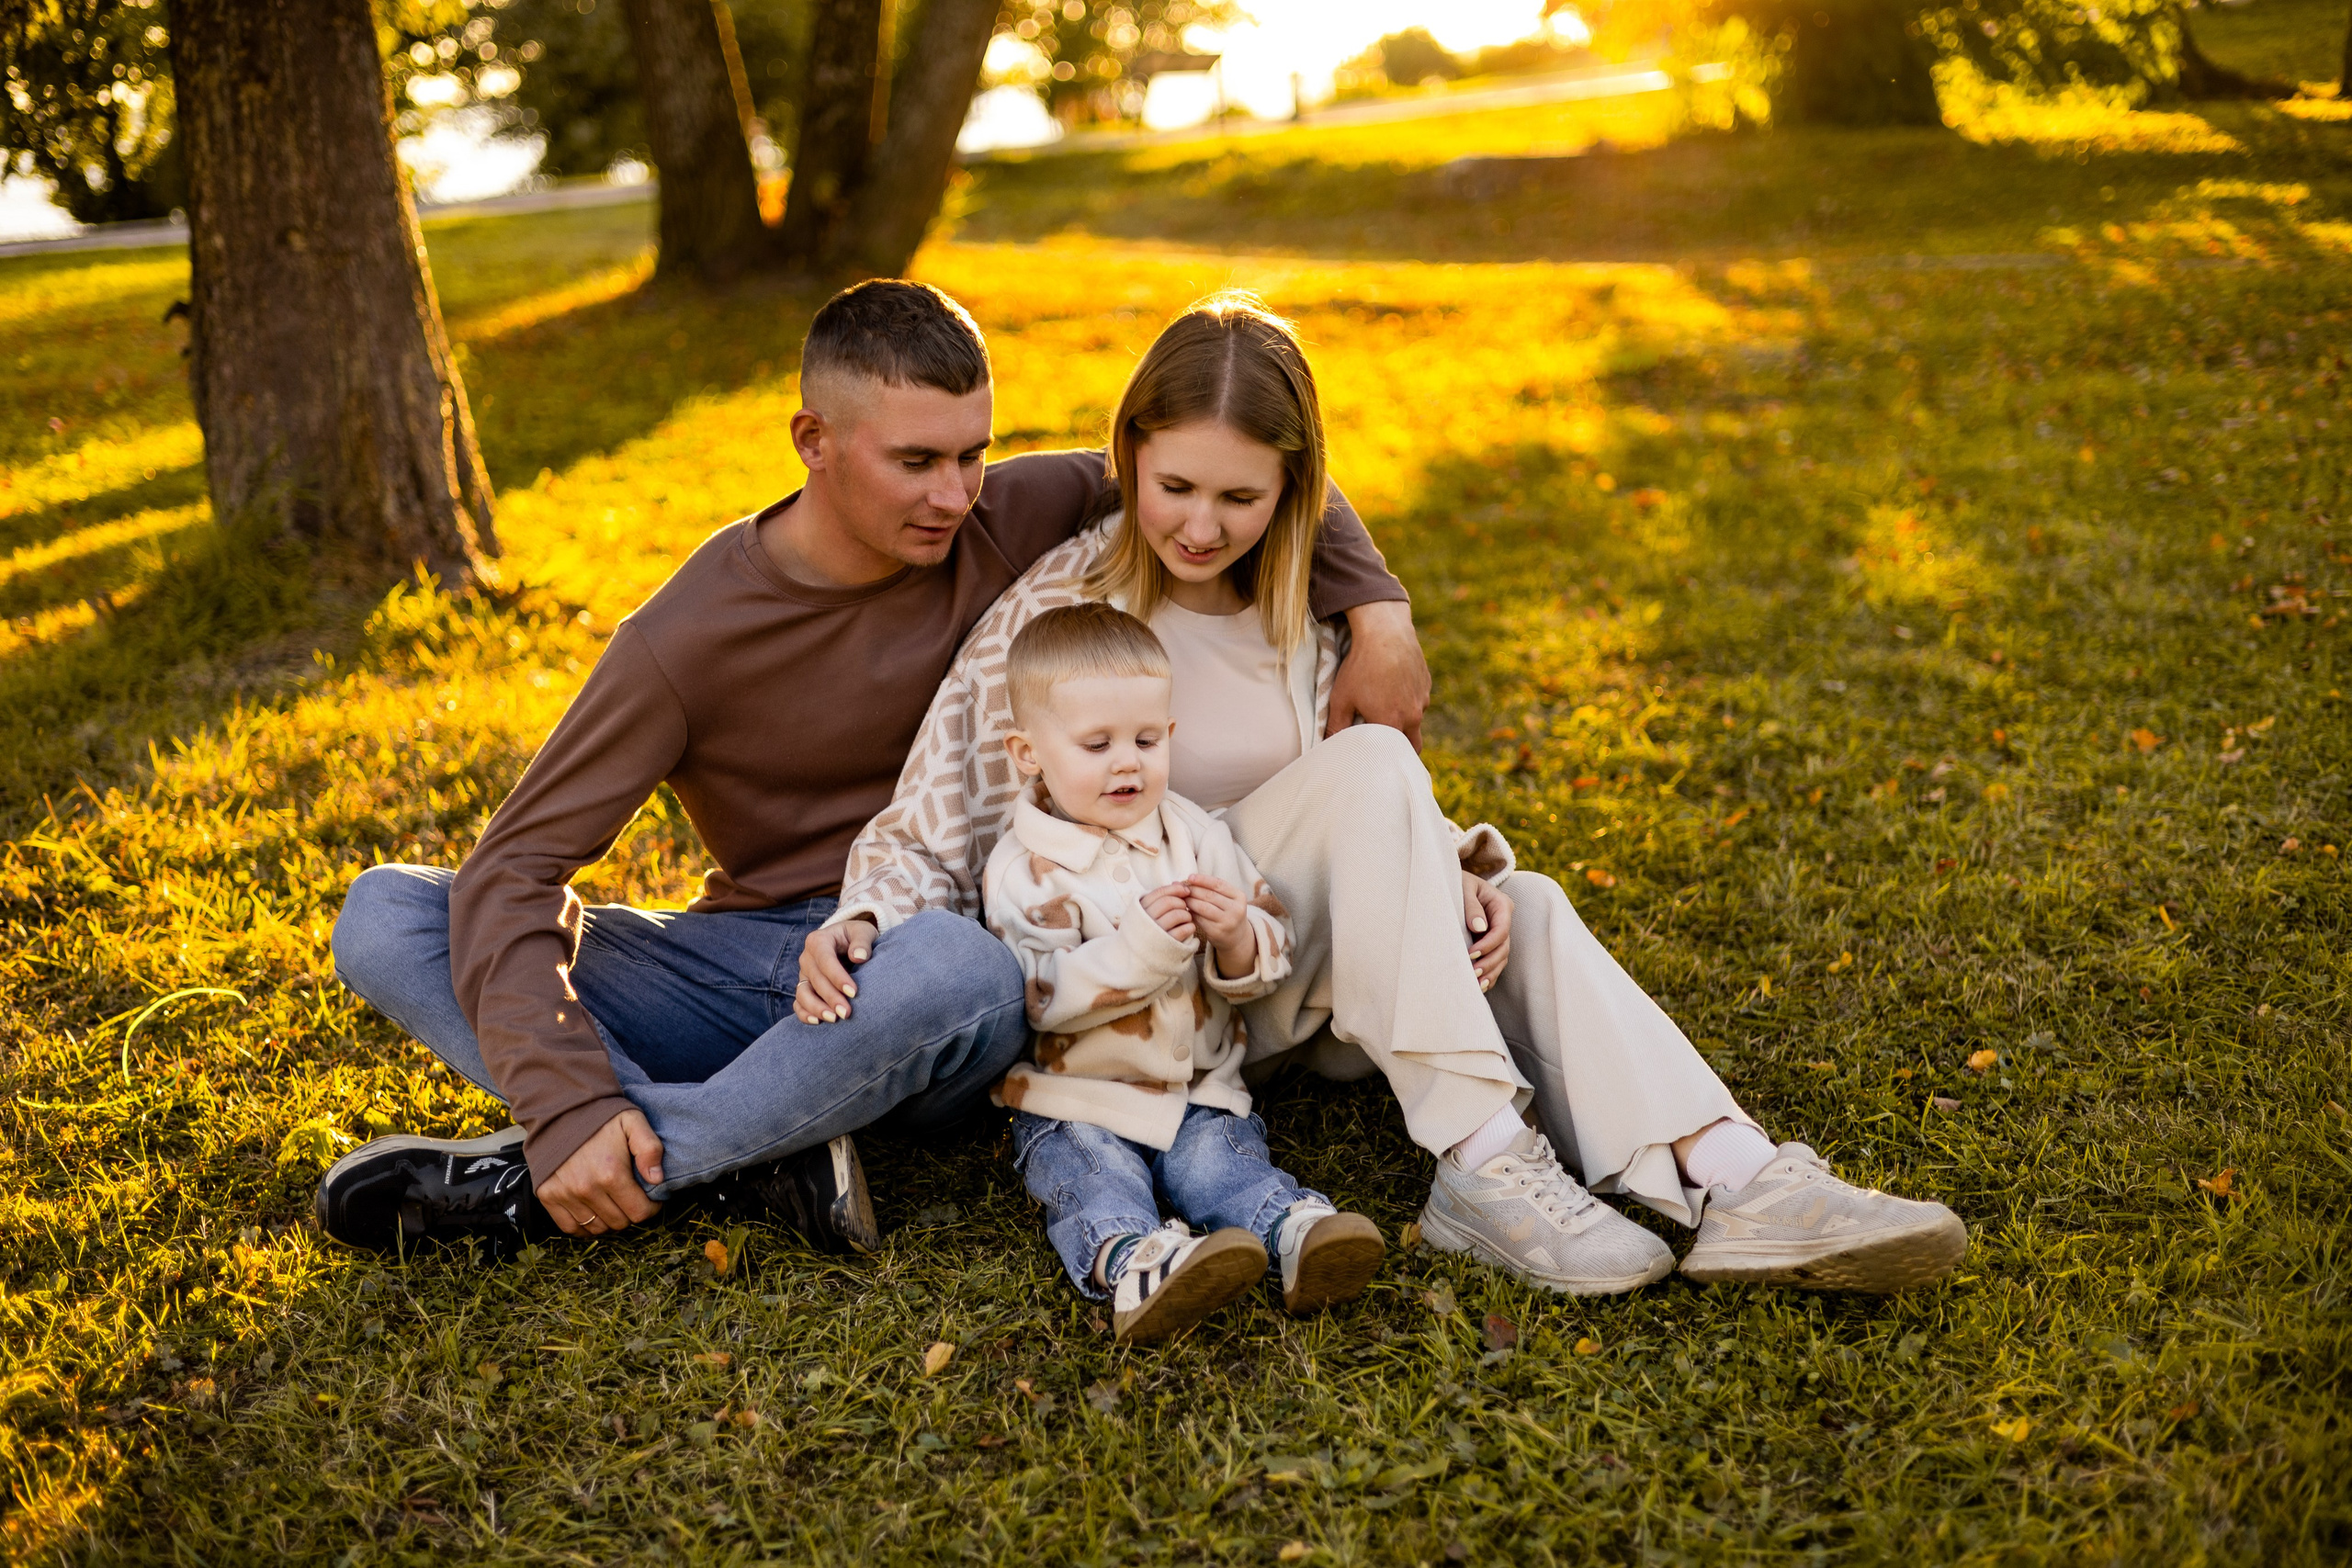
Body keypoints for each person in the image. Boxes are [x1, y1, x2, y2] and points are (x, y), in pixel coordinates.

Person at [807, 293, 1969, 1295]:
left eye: (1241, 499)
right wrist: (864, 920)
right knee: (1377, 769)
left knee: (1538, 908)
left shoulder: (1306, 616)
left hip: (1287, 971)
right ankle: (1482, 1161)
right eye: (1173, 487)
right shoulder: (1063, 610)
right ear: (1130, 457)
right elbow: (935, 807)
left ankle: (1736, 1175)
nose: (1201, 527)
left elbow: (1358, 821)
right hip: (1150, 998)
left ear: (1293, 490)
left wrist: (1465, 879)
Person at [314, 279, 1431, 1258]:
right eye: (916, 462)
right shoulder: (686, 638)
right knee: (385, 915)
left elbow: (1234, 463)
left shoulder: (1009, 513)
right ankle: (761, 1151)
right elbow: (516, 871)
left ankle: (623, 1172)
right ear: (812, 439)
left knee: (950, 963)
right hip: (757, 963)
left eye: (971, 455)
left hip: (942, 961)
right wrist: (562, 1102)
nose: (954, 495)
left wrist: (1378, 613)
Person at [981, 604, 1386, 1344]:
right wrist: (1141, 947)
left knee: (1224, 1165)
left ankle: (1295, 1232)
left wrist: (1235, 936)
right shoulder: (1024, 868)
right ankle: (1139, 1265)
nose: (1127, 761)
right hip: (1077, 1099)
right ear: (1028, 752)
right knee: (1095, 1182)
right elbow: (1039, 996)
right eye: (1096, 743)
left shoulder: (1192, 831)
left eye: (1144, 739)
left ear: (1170, 736)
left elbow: (1272, 940)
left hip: (1198, 1089)